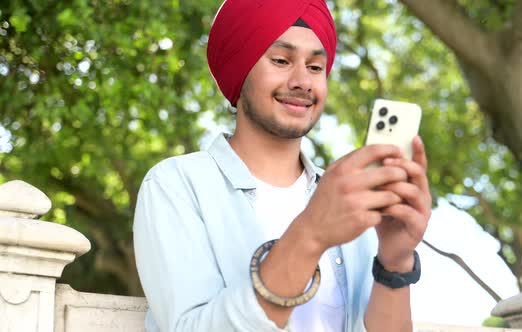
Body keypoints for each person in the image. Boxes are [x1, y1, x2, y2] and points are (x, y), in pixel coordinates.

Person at [133, 0, 432, 331]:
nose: (303, 81)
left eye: (316, 67)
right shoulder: (176, 184)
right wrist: (311, 233)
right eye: (281, 60)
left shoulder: (350, 198)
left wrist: (394, 262)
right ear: (240, 69)